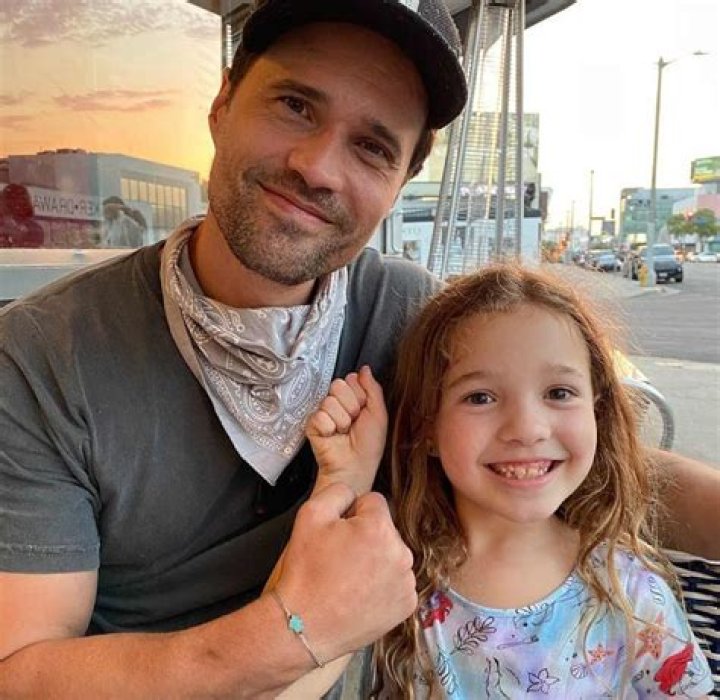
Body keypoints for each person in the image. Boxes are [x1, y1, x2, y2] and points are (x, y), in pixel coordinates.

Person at [0, 0, 716, 697]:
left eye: (372, 147)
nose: (317, 166)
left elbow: (554, 451)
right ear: (221, 105)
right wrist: (292, 633)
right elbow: (21, 669)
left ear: (400, 183)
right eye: (294, 106)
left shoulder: (410, 314)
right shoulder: (44, 355)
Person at [306, 265, 712, 697]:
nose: (527, 428)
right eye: (480, 397)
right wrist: (344, 481)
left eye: (558, 393)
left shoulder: (631, 592)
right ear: (427, 428)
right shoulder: (387, 578)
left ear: (597, 410)